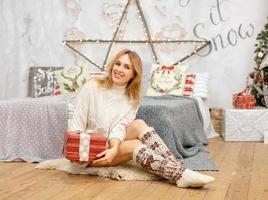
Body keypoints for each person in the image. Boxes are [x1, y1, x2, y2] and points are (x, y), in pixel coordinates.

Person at [70, 49, 215, 188]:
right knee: (135, 145)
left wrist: (114, 148)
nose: (119, 69)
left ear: (134, 74)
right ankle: (180, 174)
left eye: (127, 67)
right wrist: (85, 151)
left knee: (139, 124)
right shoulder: (91, 87)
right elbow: (76, 128)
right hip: (87, 151)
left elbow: (119, 127)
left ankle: (178, 171)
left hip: (108, 143)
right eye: (118, 63)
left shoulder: (132, 97)